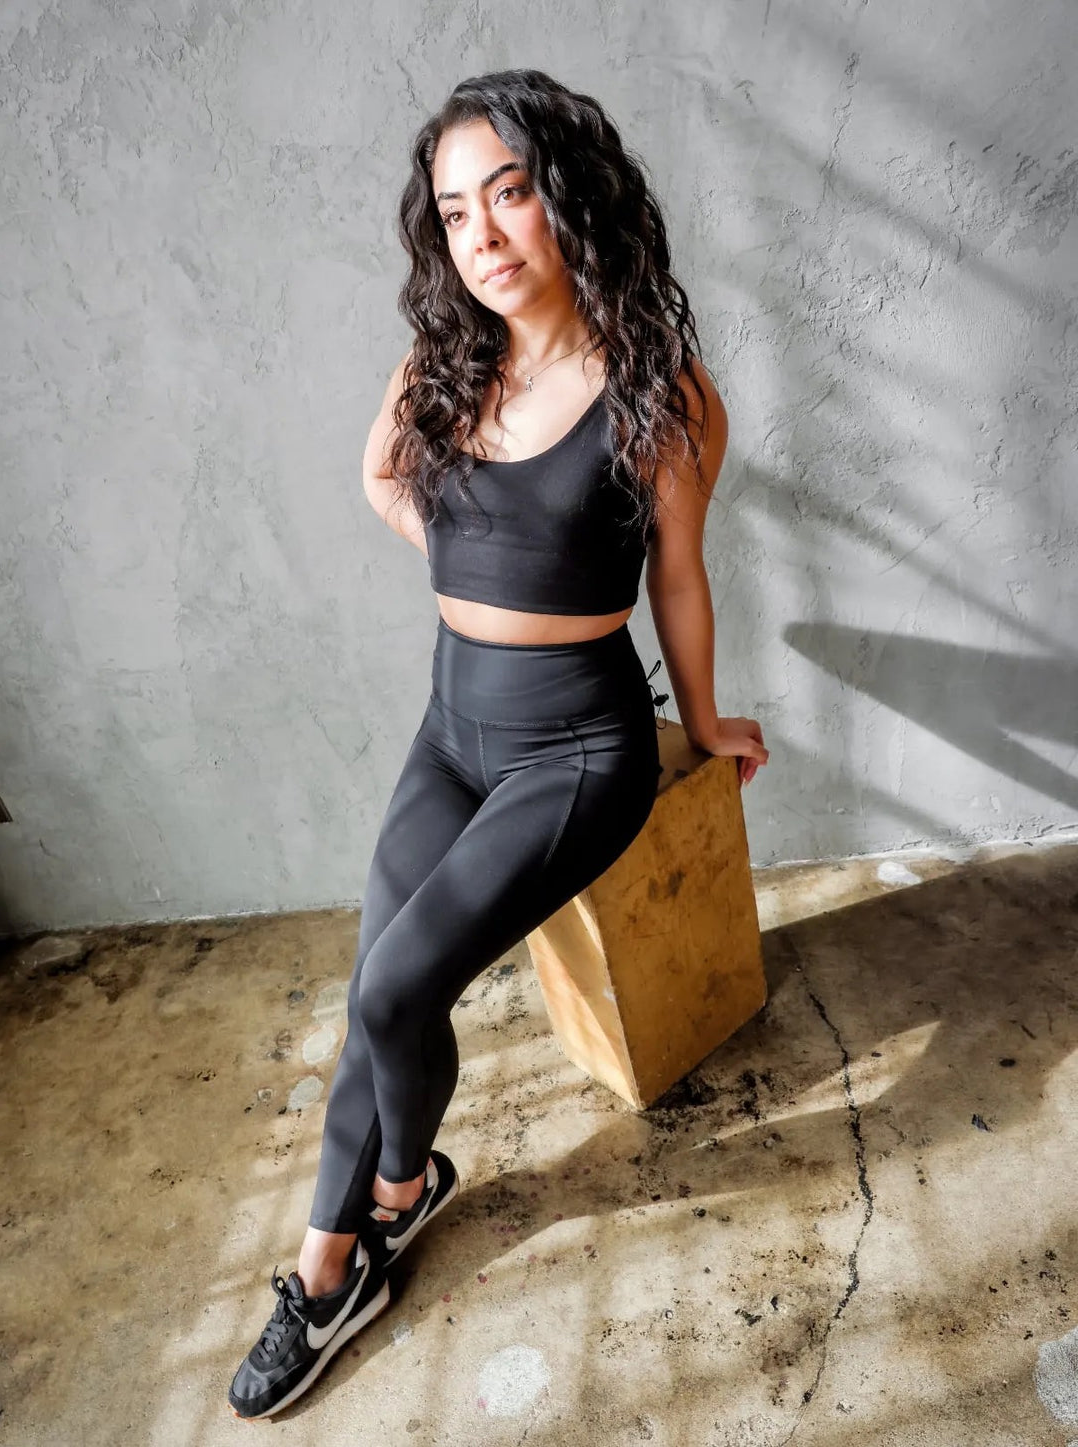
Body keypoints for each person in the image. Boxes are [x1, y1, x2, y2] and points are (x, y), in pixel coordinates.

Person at [227, 66, 769, 1421]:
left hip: (575, 751)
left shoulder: (658, 392)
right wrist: (474, 566)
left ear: (569, 199)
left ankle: (353, 1242)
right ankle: (369, 1224)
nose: (480, 233)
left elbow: (681, 579)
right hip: (450, 726)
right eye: (455, 210)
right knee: (379, 984)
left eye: (509, 193)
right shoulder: (443, 363)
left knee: (393, 993)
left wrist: (704, 722)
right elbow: (380, 478)